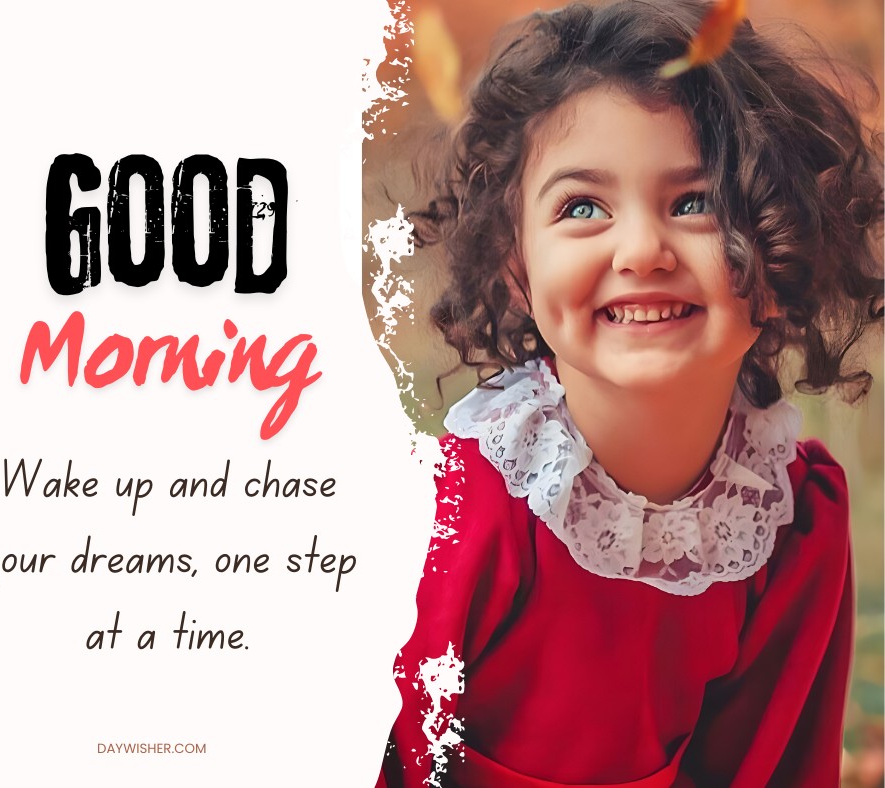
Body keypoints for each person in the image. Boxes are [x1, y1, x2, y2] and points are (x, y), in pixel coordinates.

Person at [375, 1, 883, 786]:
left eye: (695, 203)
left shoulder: (789, 521)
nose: (642, 249)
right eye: (583, 208)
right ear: (517, 271)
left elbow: (771, 768)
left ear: (784, 255)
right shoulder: (455, 513)